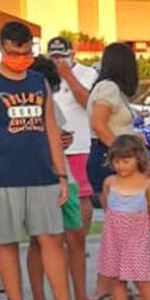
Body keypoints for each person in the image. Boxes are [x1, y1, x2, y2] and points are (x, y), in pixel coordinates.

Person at [0, 21, 98, 300]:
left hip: (42, 175)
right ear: (2, 49)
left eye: (26, 53)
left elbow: (51, 129)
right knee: (7, 244)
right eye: (14, 53)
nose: (20, 58)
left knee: (51, 239)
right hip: (0, 178)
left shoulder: (39, 82)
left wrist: (61, 175)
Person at [26, 57, 107, 300]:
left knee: (75, 236)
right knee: (41, 241)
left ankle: (80, 298)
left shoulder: (50, 103)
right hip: (38, 180)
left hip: (65, 177)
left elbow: (61, 135)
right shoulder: (21, 106)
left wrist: (65, 138)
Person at [86, 42, 139, 300]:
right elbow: (98, 122)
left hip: (112, 158)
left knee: (123, 227)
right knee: (117, 228)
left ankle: (120, 284)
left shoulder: (113, 90)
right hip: (109, 160)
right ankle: (103, 289)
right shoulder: (108, 88)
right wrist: (122, 156)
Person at [97, 135, 150, 300]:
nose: (121, 166)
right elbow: (107, 205)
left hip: (136, 240)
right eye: (117, 161)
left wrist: (142, 230)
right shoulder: (110, 182)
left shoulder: (147, 185)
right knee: (116, 280)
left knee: (141, 280)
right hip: (114, 239)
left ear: (138, 159)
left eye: (126, 161)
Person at [47, 36, 98, 236]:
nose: (58, 61)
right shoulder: (44, 74)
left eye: (63, 56)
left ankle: (80, 240)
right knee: (55, 195)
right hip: (53, 146)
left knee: (82, 196)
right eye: (54, 57)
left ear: (72, 54)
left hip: (80, 145)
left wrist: (67, 75)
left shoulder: (87, 73)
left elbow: (87, 101)